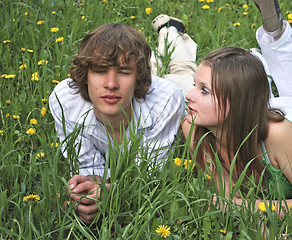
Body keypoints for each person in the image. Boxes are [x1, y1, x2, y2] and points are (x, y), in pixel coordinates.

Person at [181, 0, 292, 214]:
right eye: (194, 85)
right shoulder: (192, 127)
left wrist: (252, 207)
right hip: (250, 112)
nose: (189, 95)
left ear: (237, 104)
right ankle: (257, 62)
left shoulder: (280, 136)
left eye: (204, 90)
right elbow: (227, 197)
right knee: (249, 85)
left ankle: (275, 39)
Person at [49, 22, 196, 224]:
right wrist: (86, 190)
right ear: (86, 75)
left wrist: (112, 191)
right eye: (100, 71)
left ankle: (170, 30)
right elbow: (87, 166)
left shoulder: (167, 100)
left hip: (179, 88)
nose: (111, 84)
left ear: (138, 78)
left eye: (124, 72)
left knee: (182, 69)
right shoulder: (65, 100)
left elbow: (149, 172)